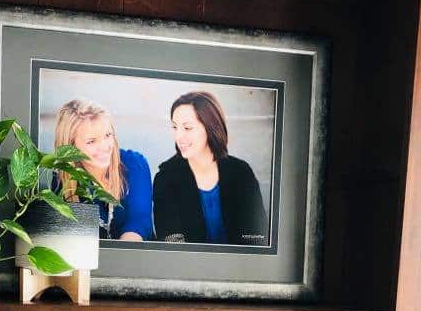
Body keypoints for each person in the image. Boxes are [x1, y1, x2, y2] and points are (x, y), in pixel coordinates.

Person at [153, 91, 268, 246]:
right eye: (174, 127)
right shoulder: (165, 178)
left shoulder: (241, 173)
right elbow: (172, 245)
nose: (178, 136)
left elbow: (256, 240)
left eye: (187, 128)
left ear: (210, 127)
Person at [53, 99, 153, 241]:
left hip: (134, 259)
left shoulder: (135, 163)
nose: (105, 147)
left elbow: (139, 222)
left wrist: (123, 258)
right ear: (71, 147)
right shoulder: (60, 181)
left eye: (107, 135)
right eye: (91, 141)